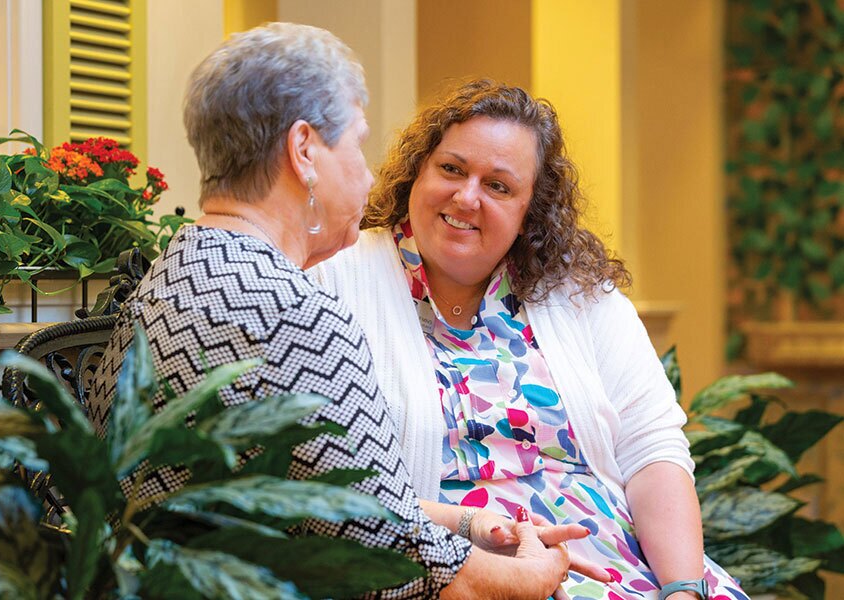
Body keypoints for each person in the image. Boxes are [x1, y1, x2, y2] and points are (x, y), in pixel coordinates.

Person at [87, 25, 598, 599]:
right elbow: (406, 571)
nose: (370, 175)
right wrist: (535, 573)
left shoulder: (173, 270)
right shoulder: (292, 312)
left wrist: (469, 521)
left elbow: (350, 506)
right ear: (304, 151)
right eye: (355, 145)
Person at [312, 80, 748, 600]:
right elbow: (328, 480)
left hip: (619, 567)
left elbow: (652, 450)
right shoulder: (332, 279)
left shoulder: (581, 295)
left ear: (529, 213)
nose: (466, 196)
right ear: (417, 172)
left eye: (498, 186)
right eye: (451, 169)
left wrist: (681, 590)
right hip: (455, 570)